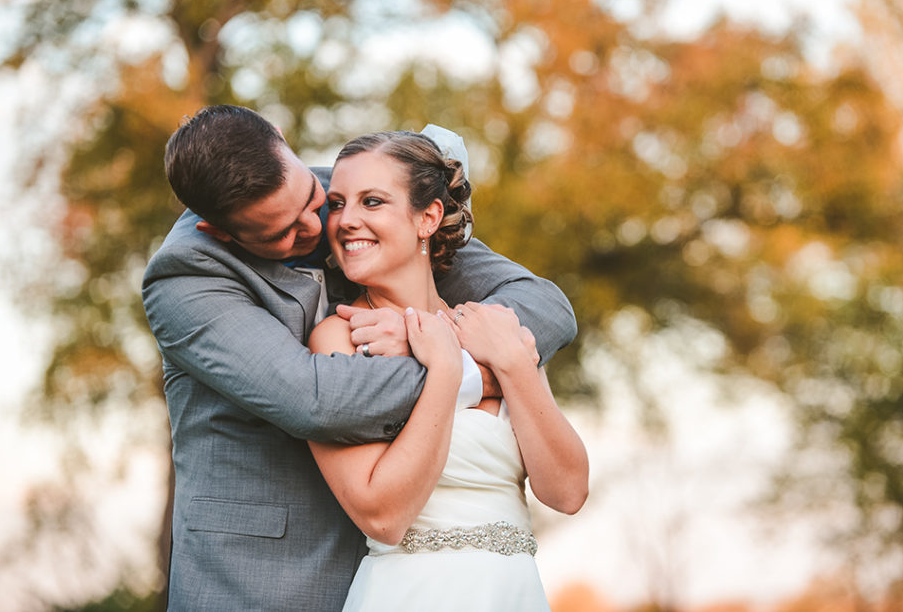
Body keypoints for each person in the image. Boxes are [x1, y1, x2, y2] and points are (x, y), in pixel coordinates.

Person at [141, 105, 578, 611]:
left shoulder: (357, 200)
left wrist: (459, 345)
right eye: (277, 234)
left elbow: (544, 307)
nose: (315, 227)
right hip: (261, 582)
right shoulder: (186, 279)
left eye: (311, 200)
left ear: (283, 141)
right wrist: (463, 370)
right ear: (220, 232)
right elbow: (315, 399)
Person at [306, 130, 589, 610]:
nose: (347, 220)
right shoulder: (340, 337)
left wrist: (511, 366)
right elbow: (383, 517)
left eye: (371, 201)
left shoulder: (491, 328)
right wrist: (442, 371)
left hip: (514, 593)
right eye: (337, 203)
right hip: (411, 593)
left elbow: (567, 491)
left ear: (429, 216)